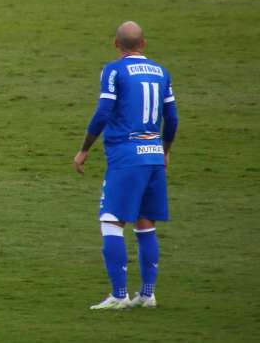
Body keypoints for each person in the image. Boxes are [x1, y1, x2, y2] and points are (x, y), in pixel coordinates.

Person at [72, 21, 179, 310]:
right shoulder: (162, 72)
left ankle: (119, 295)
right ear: (143, 44)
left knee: (110, 221)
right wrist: (165, 151)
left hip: (126, 158)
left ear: (116, 44)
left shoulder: (114, 70)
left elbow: (103, 111)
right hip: (153, 155)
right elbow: (172, 119)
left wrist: (84, 149)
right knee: (145, 225)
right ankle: (147, 294)